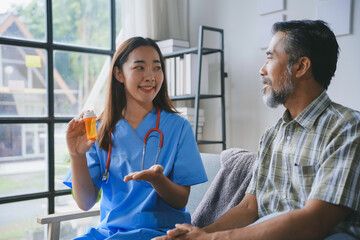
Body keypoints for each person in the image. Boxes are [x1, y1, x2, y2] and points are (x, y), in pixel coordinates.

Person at [154, 20, 360, 240]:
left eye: (270, 57)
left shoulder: (346, 127)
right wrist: (197, 235)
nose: (261, 69)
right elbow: (249, 208)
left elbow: (315, 221)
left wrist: (211, 239)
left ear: (301, 67)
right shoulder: (272, 135)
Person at [63, 37, 207, 239]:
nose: (151, 76)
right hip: (108, 233)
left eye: (157, 68)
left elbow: (180, 200)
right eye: (139, 68)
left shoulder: (178, 127)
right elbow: (85, 203)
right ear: (119, 74)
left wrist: (158, 181)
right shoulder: (98, 130)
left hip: (161, 233)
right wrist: (76, 155)